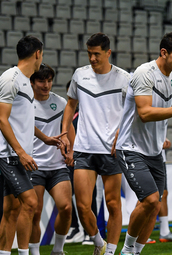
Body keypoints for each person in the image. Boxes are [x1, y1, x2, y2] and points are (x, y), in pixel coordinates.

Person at [116, 31, 172, 255]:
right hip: (130, 147)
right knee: (151, 199)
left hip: (154, 152)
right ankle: (126, 251)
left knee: (155, 205)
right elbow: (144, 113)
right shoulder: (144, 73)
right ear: (164, 53)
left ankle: (136, 251)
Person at [61, 33, 130, 255]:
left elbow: (135, 112)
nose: (92, 58)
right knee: (82, 206)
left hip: (111, 150)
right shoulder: (80, 75)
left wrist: (122, 132)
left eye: (97, 54)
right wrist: (64, 132)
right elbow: (70, 105)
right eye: (89, 54)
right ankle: (98, 242)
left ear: (108, 53)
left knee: (113, 205)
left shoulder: (124, 78)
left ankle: (110, 251)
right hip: (84, 149)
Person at [0, 36, 65, 255]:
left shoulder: (25, 82)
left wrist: (44, 138)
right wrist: (20, 152)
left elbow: (22, 120)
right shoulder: (11, 78)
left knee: (11, 210)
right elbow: (2, 119)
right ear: (37, 53)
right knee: (30, 203)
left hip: (18, 155)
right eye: (42, 55)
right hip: (9, 156)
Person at [27, 64, 75, 255]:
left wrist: (71, 150)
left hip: (58, 166)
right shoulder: (25, 104)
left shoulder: (61, 102)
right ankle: (34, 252)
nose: (46, 85)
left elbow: (68, 128)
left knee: (66, 208)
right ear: (32, 82)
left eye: (49, 80)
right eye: (41, 80)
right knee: (35, 213)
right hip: (34, 165)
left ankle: (58, 250)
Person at [64, 81, 98, 246]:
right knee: (68, 195)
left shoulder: (92, 114)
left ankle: (91, 233)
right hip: (70, 161)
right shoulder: (69, 114)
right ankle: (76, 228)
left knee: (88, 197)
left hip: (89, 159)